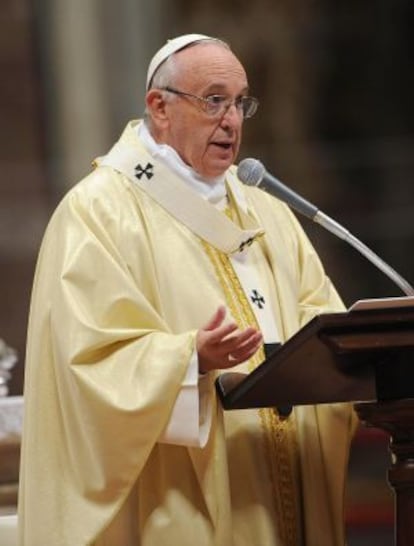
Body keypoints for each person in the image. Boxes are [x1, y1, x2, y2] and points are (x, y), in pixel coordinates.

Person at [18, 34, 356, 546]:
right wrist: (188, 361)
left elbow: (323, 318)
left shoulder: (266, 210)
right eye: (214, 100)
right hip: (177, 501)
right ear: (160, 107)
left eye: (241, 102)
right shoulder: (100, 212)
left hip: (281, 478)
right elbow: (85, 365)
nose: (233, 120)